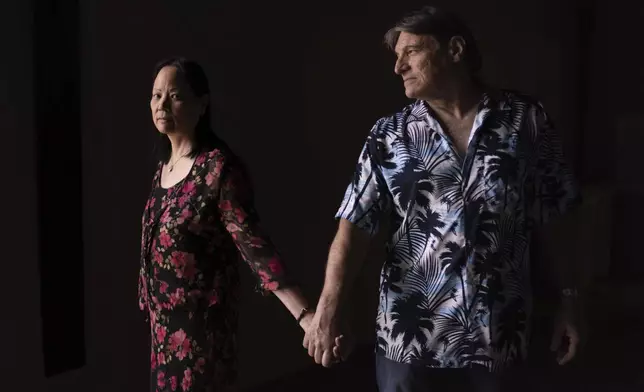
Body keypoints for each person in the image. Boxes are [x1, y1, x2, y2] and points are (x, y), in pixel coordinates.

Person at [303, 5, 584, 392]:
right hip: (410, 339)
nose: (398, 67)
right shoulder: (388, 135)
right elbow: (353, 227)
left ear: (455, 50)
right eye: (396, 56)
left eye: (411, 51)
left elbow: (556, 214)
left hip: (499, 335)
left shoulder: (525, 120)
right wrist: (328, 311)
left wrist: (569, 301)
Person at [137, 58, 333, 392]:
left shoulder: (218, 169)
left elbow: (256, 247)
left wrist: (306, 317)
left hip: (201, 338)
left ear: (202, 104)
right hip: (163, 334)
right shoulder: (164, 169)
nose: (162, 105)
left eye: (175, 96)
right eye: (156, 96)